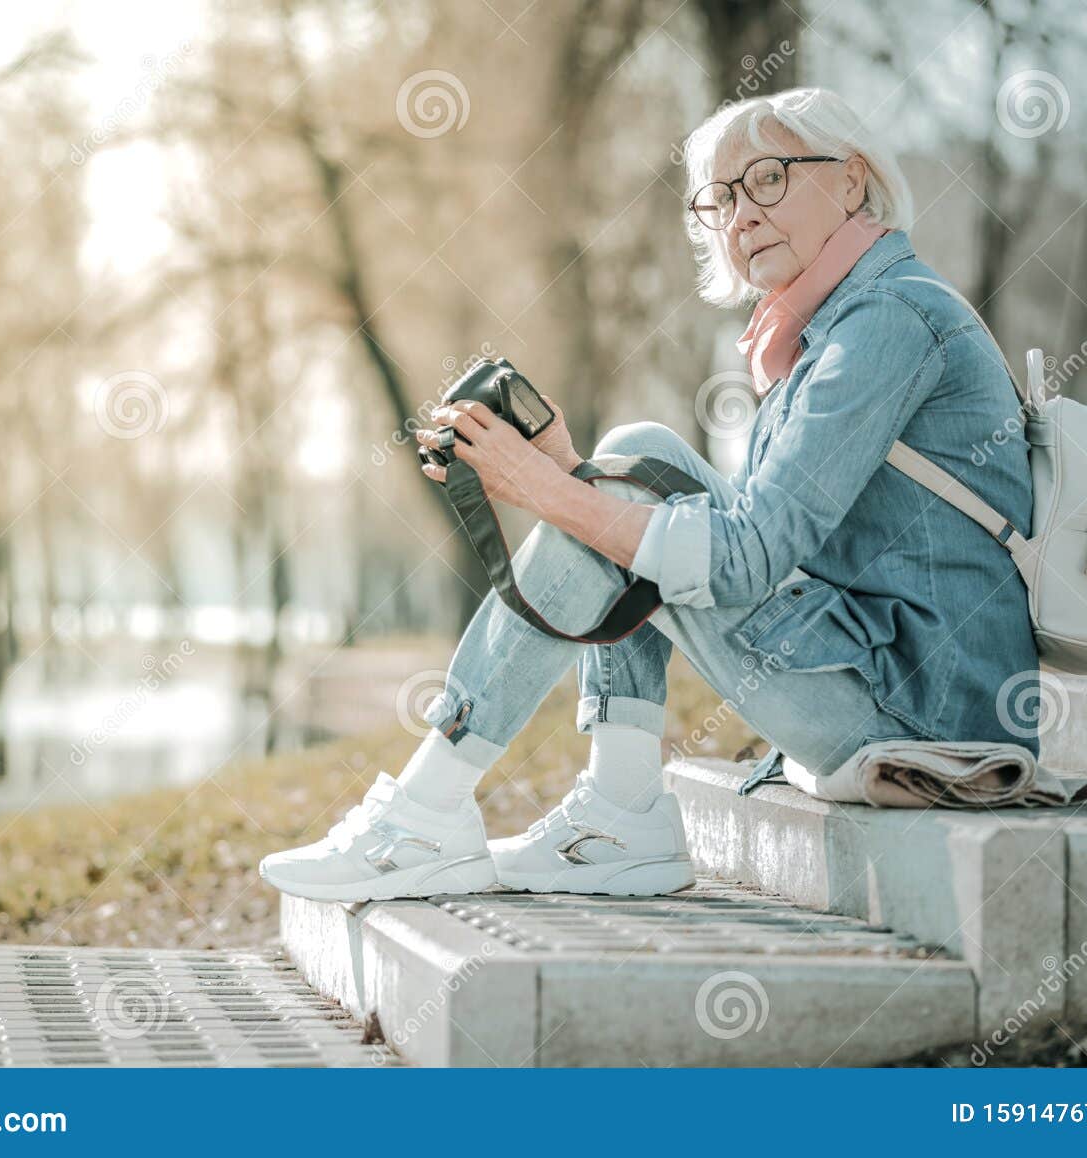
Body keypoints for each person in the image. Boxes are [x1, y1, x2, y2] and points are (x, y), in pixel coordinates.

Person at [259, 86, 1038, 904]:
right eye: (723, 197)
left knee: (608, 504)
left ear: (851, 181)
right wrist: (571, 474)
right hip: (890, 672)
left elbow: (742, 562)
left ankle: (426, 811)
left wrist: (552, 493)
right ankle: (622, 810)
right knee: (637, 454)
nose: (740, 216)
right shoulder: (841, 324)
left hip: (922, 723)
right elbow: (753, 530)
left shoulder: (886, 322)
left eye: (768, 179)